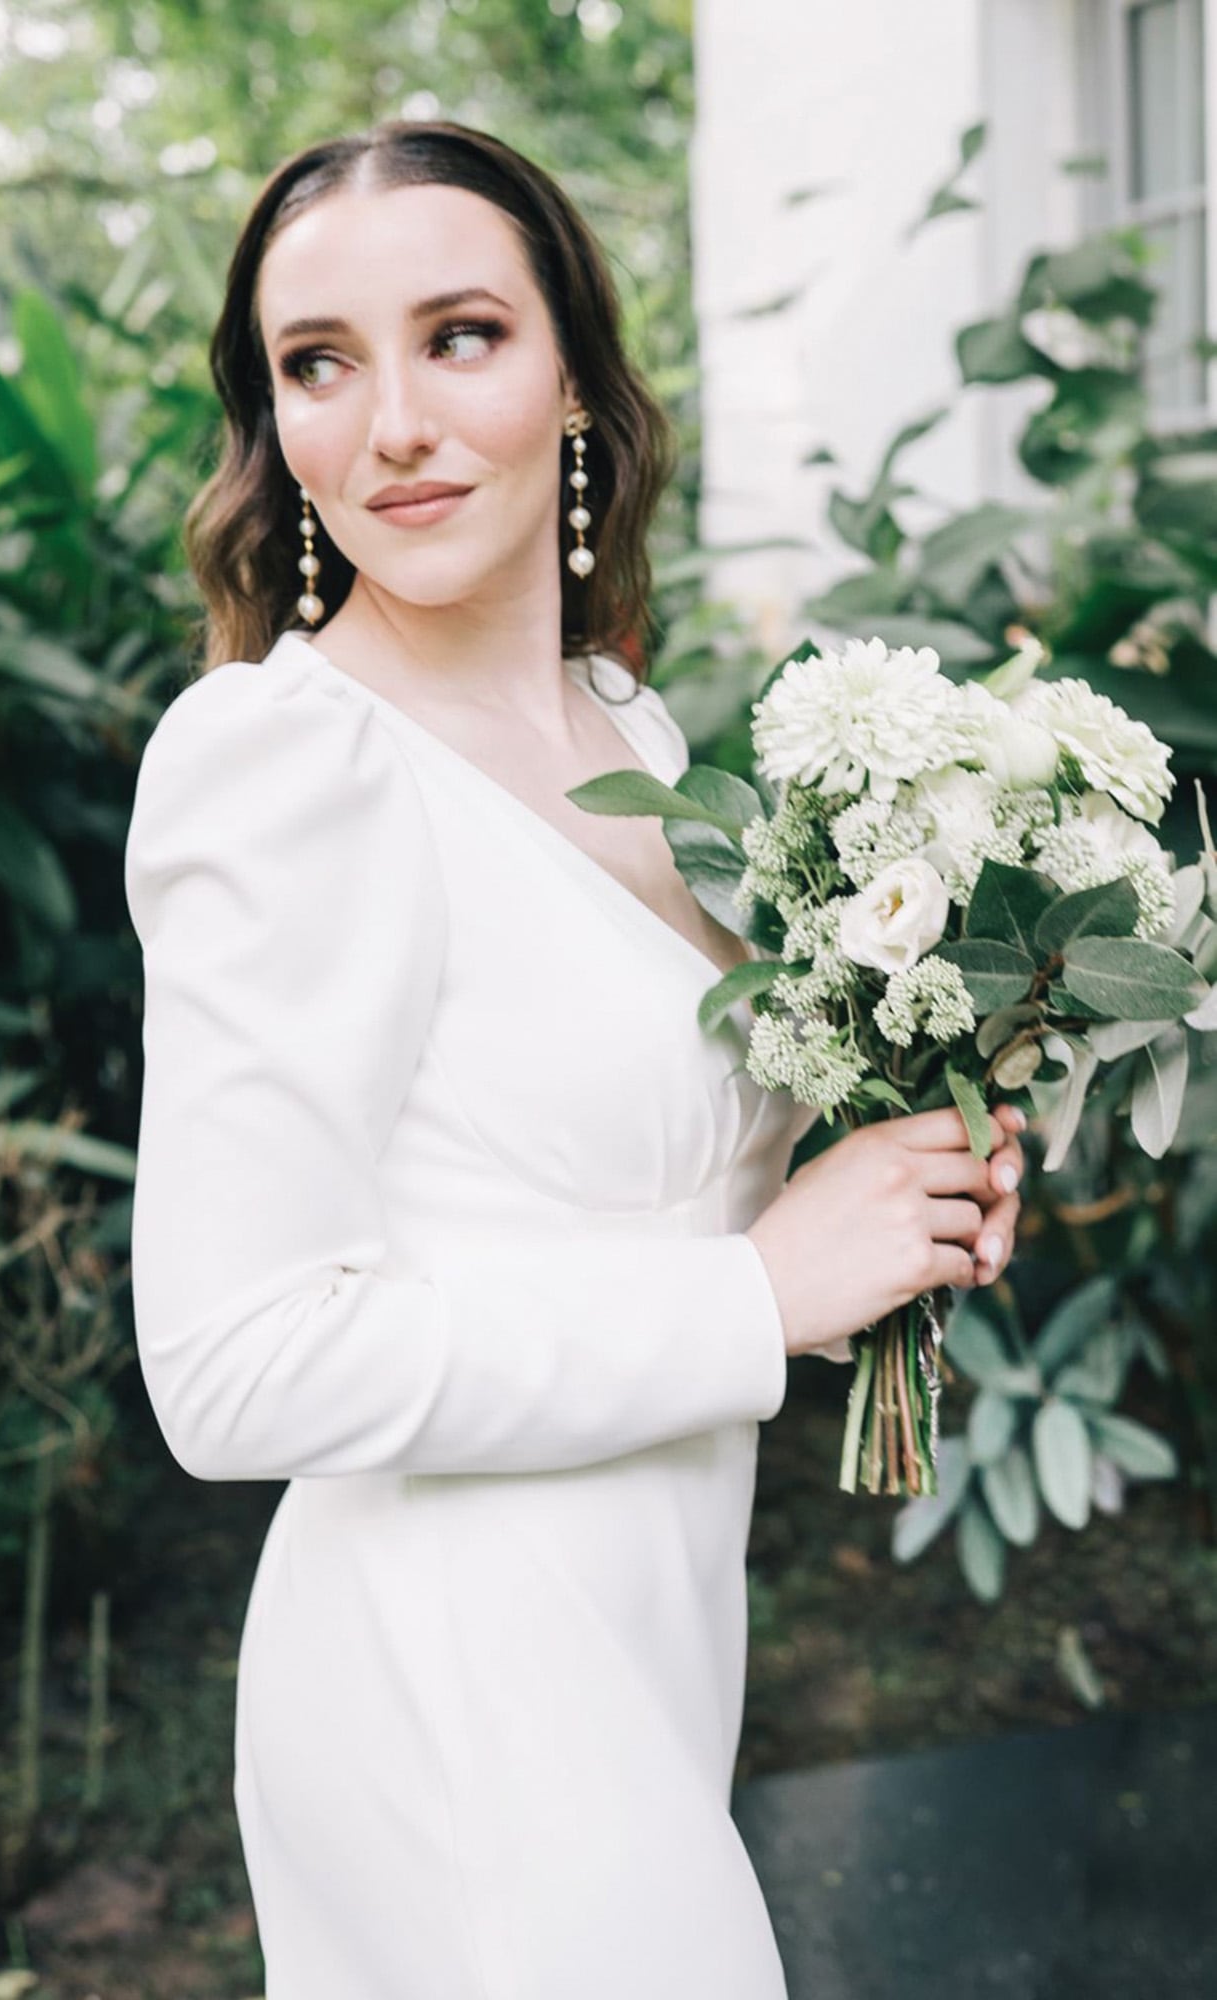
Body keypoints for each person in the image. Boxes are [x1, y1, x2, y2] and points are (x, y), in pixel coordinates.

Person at [123, 118, 1025, 2000]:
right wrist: (759, 1290)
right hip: (451, 1677)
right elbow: (232, 1366)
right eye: (318, 362)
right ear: (271, 422)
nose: (390, 427)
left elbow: (608, 1181)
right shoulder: (284, 766)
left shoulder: (628, 726)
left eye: (459, 334)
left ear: (576, 386)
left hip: (650, 1633)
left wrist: (893, 1193)